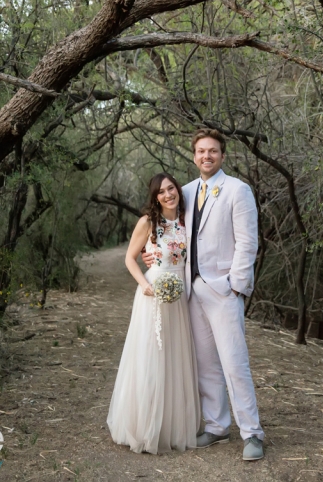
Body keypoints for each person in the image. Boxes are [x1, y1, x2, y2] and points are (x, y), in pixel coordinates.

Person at [141, 128, 264, 461]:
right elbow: (166, 230)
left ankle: (251, 432)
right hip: (190, 291)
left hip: (224, 290)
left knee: (234, 363)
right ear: (193, 156)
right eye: (200, 151)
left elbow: (248, 242)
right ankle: (216, 425)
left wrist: (236, 286)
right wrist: (150, 253)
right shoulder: (186, 191)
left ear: (222, 155)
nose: (206, 156)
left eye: (212, 151)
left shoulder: (238, 190)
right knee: (206, 362)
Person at [107, 173, 201, 454]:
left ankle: (172, 425)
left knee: (175, 357)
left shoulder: (186, 220)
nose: (168, 194)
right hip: (154, 294)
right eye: (161, 192)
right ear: (155, 197)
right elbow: (129, 258)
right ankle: (145, 424)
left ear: (178, 190)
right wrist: (145, 285)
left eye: (171, 188)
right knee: (151, 354)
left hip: (179, 296)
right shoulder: (149, 222)